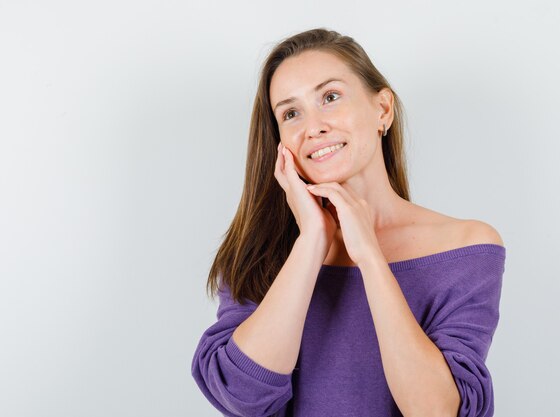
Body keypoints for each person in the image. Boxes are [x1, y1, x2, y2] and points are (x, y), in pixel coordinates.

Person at [191, 27, 506, 417]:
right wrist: (311, 241)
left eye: (330, 97)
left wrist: (370, 258)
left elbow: (438, 410)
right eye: (291, 113)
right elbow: (241, 397)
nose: (313, 127)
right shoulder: (262, 252)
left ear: (382, 109)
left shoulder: (464, 247)